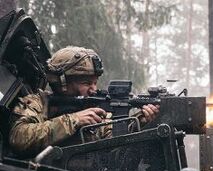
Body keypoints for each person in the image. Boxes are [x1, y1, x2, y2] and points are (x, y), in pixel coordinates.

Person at [9, 46, 159, 158]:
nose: (94, 89)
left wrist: (139, 125)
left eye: (95, 82)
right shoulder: (37, 103)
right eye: (87, 83)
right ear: (62, 82)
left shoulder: (98, 115)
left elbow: (118, 164)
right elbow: (19, 138)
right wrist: (74, 120)